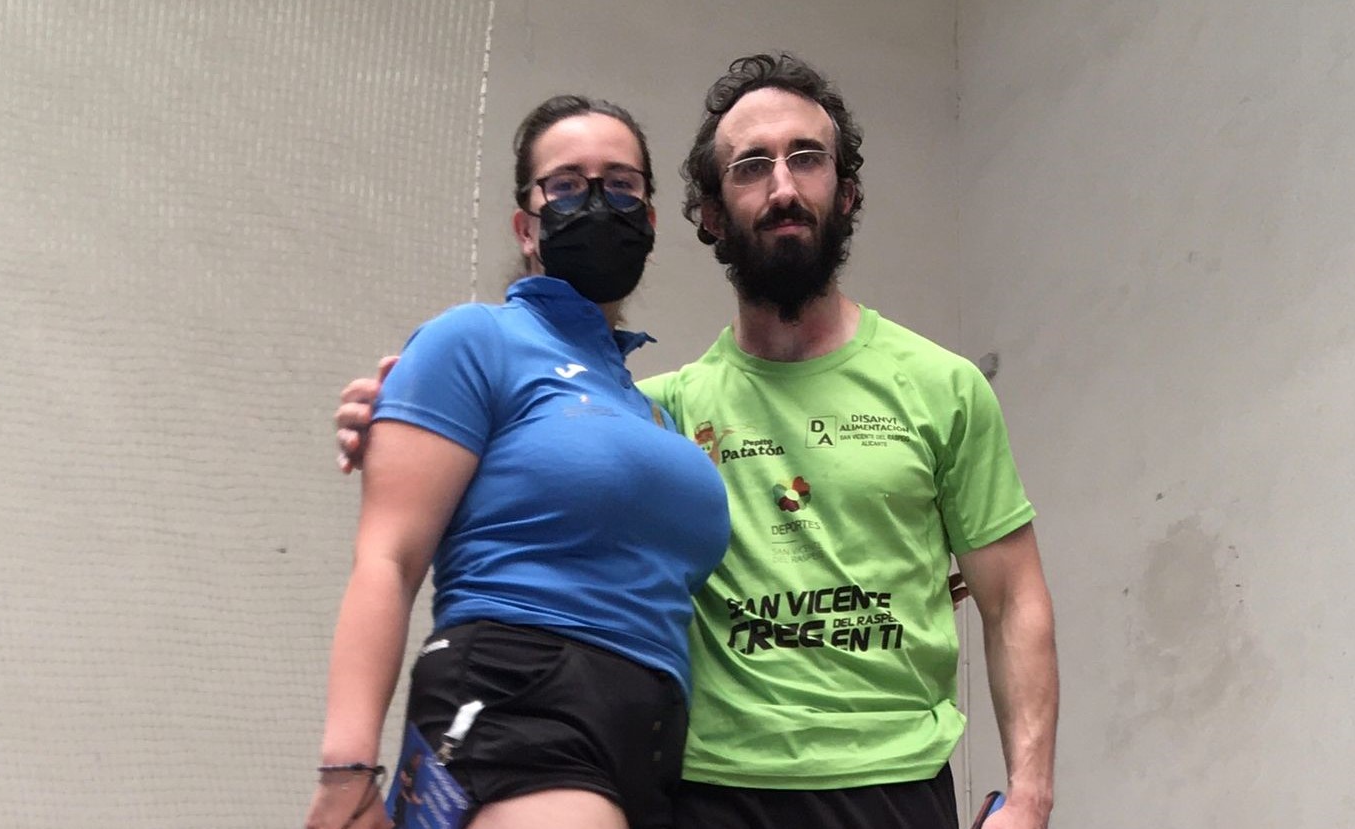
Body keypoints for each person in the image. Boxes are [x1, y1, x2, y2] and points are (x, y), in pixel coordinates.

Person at [335, 54, 1058, 829]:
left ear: (847, 192)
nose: (783, 187)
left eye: (806, 158)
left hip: (894, 786)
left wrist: (1028, 796)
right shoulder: (657, 422)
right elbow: (524, 460)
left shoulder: (946, 388)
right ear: (710, 213)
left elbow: (1012, 598)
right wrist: (400, 405)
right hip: (705, 794)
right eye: (751, 166)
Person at [304, 94, 730, 829]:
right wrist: (347, 773)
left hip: (651, 737)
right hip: (515, 693)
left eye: (621, 184)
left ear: (652, 218)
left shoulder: (652, 411)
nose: (596, 202)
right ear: (525, 225)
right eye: (565, 185)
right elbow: (388, 557)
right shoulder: (474, 341)